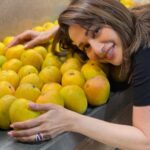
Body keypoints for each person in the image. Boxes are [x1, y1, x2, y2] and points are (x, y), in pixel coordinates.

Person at [7, 0, 150, 149]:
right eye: (86, 46)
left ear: (114, 14)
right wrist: (56, 31)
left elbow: (146, 141)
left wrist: (71, 121)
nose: (97, 49)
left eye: (96, 32)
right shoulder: (140, 21)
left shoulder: (145, 53)